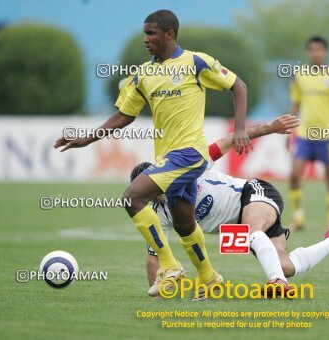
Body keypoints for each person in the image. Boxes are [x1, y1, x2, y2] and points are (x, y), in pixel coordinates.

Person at [54, 10, 251, 300]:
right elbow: (124, 115)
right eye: (145, 33)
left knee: (132, 197)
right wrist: (86, 139)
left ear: (169, 35)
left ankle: (170, 267)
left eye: (151, 34)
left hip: (190, 154)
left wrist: (240, 129)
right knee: (184, 223)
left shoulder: (196, 62)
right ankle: (210, 278)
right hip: (168, 157)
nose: (145, 39)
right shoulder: (143, 75)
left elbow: (238, 85)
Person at [130, 115, 329, 298]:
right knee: (286, 265)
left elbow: (227, 141)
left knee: (251, 234)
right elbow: (155, 257)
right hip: (239, 228)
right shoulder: (160, 215)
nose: (152, 198)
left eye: (151, 190)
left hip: (254, 193)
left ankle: (277, 284)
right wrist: (157, 291)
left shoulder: (189, 166)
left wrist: (269, 128)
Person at [287, 36, 329, 230]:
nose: (316, 53)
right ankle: (298, 218)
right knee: (294, 175)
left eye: (320, 49)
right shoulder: (299, 75)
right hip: (305, 134)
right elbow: (296, 104)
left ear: (325, 52)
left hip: (328, 136)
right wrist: (289, 130)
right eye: (312, 49)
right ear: (308, 52)